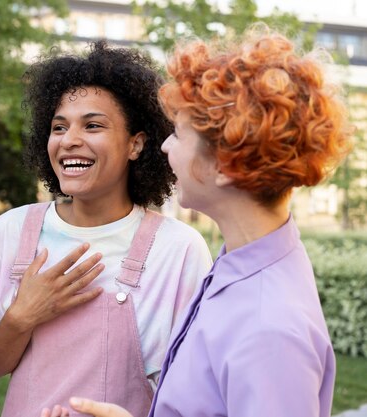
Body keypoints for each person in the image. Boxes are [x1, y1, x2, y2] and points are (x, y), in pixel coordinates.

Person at [45, 26, 353, 417]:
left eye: (179, 133)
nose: (165, 146)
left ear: (225, 163)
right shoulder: (242, 267)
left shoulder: (268, 329)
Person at [0, 40, 212, 417]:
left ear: (136, 144)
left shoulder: (177, 249)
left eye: (92, 125)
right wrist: (23, 314)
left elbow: (192, 391)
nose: (69, 140)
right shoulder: (11, 230)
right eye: (59, 127)